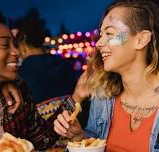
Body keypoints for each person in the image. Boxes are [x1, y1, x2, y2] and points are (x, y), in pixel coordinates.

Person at [0, 6, 73, 151]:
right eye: (5, 44)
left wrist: (76, 98)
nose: (17, 51)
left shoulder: (19, 88)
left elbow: (42, 140)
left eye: (15, 44)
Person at [53, 0, 159, 151]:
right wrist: (80, 138)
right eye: (101, 34)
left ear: (141, 39)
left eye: (109, 33)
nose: (98, 43)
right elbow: (96, 142)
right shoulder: (103, 94)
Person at [11, 20, 77, 104]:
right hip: (70, 115)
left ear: (23, 45)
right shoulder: (64, 64)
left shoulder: (21, 74)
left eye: (17, 46)